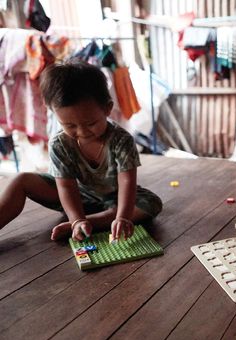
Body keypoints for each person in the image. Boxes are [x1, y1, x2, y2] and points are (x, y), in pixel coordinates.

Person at [0, 60, 162, 241]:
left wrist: (123, 217)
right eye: (69, 125)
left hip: (115, 198)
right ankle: (82, 222)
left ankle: (93, 221)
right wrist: (76, 218)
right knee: (21, 180)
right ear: (55, 114)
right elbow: (66, 187)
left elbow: (127, 182)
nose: (82, 132)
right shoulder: (60, 144)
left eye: (91, 123)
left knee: (151, 203)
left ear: (107, 109)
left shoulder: (121, 140)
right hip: (77, 196)